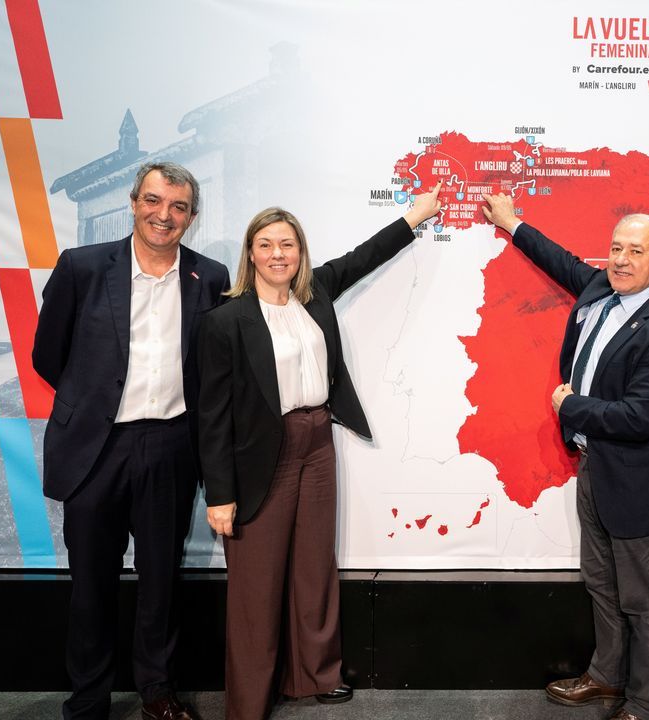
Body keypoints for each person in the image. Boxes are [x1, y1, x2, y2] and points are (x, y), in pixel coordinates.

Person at [196, 183, 443, 720]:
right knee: (256, 585)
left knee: (313, 567)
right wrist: (219, 493)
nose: (278, 254)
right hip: (262, 455)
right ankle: (250, 700)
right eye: (266, 244)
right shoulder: (224, 321)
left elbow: (364, 257)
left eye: (287, 244)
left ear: (300, 253)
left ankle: (313, 674)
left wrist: (416, 216)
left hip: (317, 444)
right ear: (250, 254)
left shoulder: (316, 294)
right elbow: (211, 417)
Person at [480, 192, 649, 720]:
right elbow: (563, 262)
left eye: (634, 251)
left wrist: (570, 404)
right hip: (594, 467)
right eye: (615, 248)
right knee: (600, 583)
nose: (620, 260)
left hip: (638, 481)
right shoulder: (605, 285)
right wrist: (512, 223)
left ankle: (644, 705)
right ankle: (606, 677)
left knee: (644, 602)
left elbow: (639, 417)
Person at [33, 162, 230, 720]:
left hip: (170, 446)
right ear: (133, 201)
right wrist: (91, 403)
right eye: (153, 201)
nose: (163, 215)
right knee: (91, 583)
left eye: (177, 207)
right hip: (96, 450)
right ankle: (89, 700)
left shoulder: (209, 277)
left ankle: (157, 694)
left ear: (191, 216)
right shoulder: (83, 267)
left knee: (161, 581)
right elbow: (49, 355)